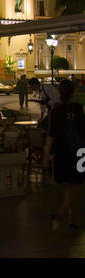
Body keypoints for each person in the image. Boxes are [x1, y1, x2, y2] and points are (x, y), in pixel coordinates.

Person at [42, 79, 85, 230]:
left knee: (68, 185)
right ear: (73, 93)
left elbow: (50, 137)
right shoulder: (78, 108)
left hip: (62, 152)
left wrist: (46, 156)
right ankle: (60, 213)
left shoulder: (56, 111)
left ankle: (71, 218)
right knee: (78, 185)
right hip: (79, 151)